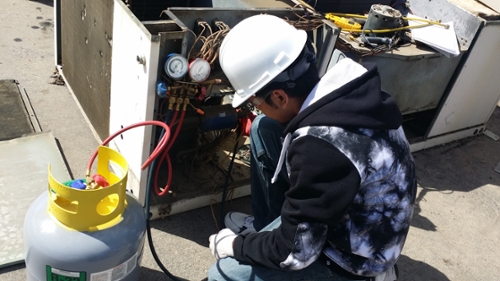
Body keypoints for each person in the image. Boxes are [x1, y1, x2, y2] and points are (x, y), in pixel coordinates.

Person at [207, 14, 417, 281]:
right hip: (355, 208)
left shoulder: (322, 149)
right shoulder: (349, 91)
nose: (254, 107)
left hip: (355, 257)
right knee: (265, 128)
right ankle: (266, 229)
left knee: (223, 275)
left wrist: (235, 246)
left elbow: (294, 254)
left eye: (254, 101)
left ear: (280, 96)